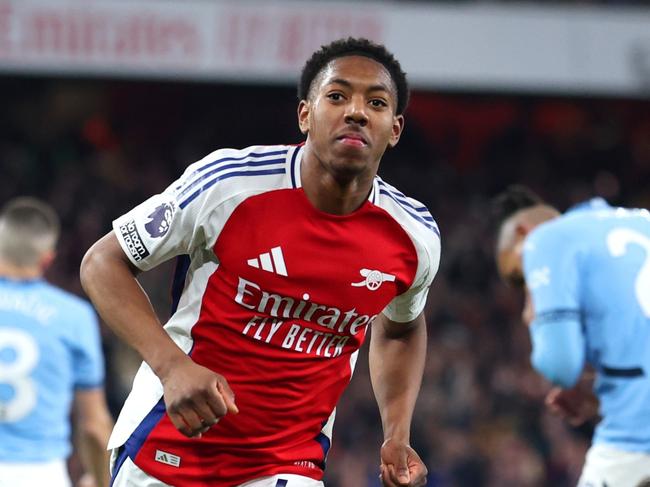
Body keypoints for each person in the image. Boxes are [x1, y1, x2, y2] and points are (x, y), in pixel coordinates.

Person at [80, 37, 440, 487]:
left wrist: (397, 433)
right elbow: (101, 262)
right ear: (305, 115)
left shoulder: (413, 234)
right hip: (169, 445)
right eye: (337, 96)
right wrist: (171, 366)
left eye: (377, 102)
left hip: (288, 463)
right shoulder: (229, 185)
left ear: (395, 128)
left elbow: (402, 325)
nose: (356, 111)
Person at [493, 185, 650, 487]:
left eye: (522, 278)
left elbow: (559, 364)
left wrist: (536, 316)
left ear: (524, 234)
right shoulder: (640, 221)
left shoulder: (545, 240)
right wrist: (601, 394)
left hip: (634, 438)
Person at [0, 197, 113, 487]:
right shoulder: (74, 317)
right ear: (48, 259)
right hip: (38, 474)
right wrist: (100, 481)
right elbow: (92, 426)